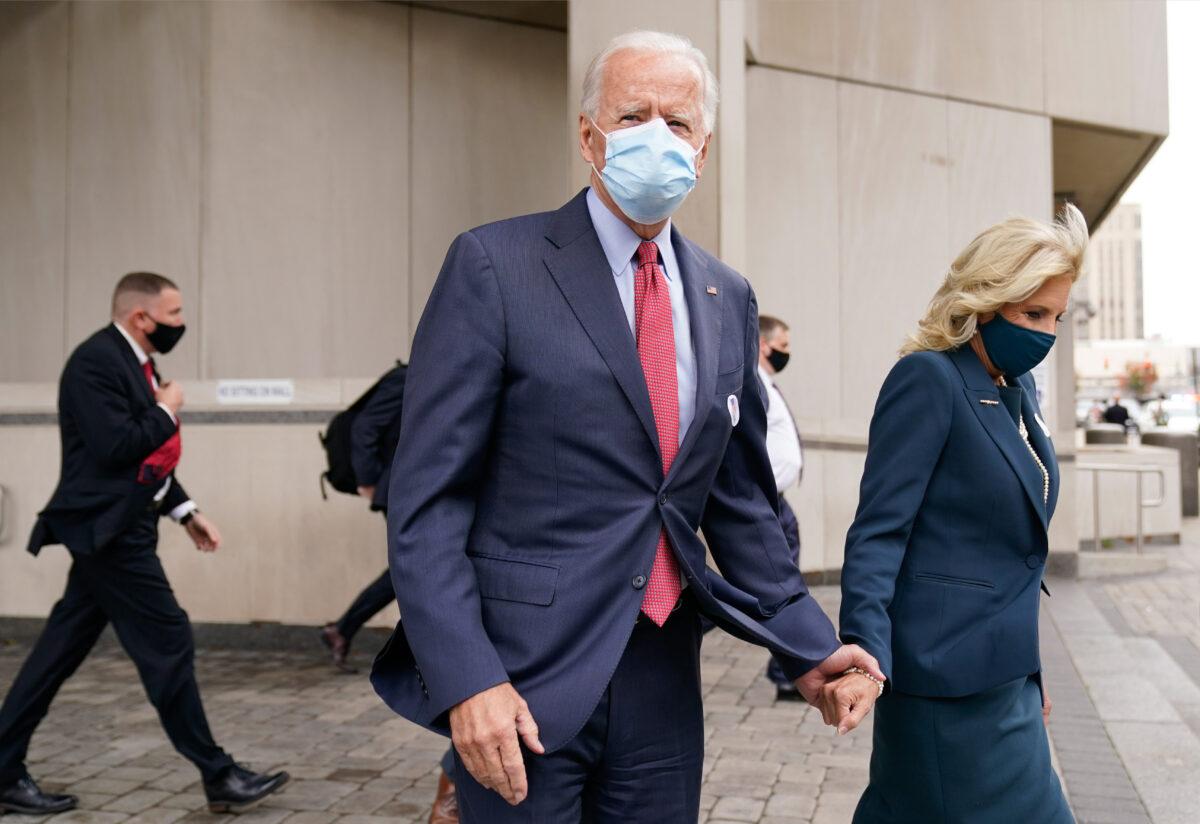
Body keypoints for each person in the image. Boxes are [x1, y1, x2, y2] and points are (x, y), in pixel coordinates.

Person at [370, 30, 882, 823]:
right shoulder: (494, 266)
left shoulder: (726, 294)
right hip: (521, 679)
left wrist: (809, 645)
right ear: (588, 136)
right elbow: (427, 498)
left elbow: (736, 500)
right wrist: (467, 679)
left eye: (676, 123)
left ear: (703, 148)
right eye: (632, 115)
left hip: (662, 677)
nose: (655, 137)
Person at [0, 273, 289, 815]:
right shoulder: (96, 362)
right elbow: (117, 447)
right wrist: (167, 408)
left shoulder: (134, 362)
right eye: (175, 314)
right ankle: (218, 774)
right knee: (169, 638)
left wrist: (186, 511)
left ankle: (1, 768)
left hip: (120, 528)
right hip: (108, 533)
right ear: (141, 317)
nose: (182, 324)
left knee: (55, 654)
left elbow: (148, 463)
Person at [836, 207, 1088, 823]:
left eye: (1056, 316)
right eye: (1033, 314)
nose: (1046, 333)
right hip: (943, 687)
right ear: (983, 300)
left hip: (1002, 681)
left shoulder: (1016, 389)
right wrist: (864, 654)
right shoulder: (928, 379)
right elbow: (878, 532)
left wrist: (1028, 667)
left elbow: (1011, 547)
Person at [320, 363, 408, 673]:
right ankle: (343, 629)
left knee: (408, 567)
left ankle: (342, 629)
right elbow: (365, 427)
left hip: (408, 487)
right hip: (397, 488)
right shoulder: (405, 377)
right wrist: (368, 481)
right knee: (411, 566)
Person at [756, 314, 807, 700]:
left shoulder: (766, 384)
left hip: (776, 502)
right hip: (765, 503)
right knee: (782, 587)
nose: (787, 353)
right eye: (783, 345)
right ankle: (788, 670)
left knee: (782, 586)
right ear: (763, 344)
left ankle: (786, 669)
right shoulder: (753, 383)